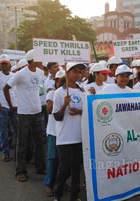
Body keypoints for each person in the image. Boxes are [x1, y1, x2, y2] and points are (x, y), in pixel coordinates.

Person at [4, 49, 46, 182]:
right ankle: (20, 171)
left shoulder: (40, 72)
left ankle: (40, 167)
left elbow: (38, 89)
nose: (41, 61)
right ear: (33, 60)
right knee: (22, 143)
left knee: (39, 142)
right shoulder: (21, 74)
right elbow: (6, 87)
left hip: (37, 112)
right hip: (23, 114)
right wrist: (11, 105)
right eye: (39, 58)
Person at [53, 63, 85, 201]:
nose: (77, 74)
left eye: (79, 72)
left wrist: (78, 111)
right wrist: (64, 105)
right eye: (74, 71)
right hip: (65, 138)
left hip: (79, 137)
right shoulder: (59, 92)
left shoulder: (83, 91)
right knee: (64, 169)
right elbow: (57, 117)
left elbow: (87, 113)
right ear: (67, 73)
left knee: (76, 169)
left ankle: (74, 196)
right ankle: (58, 195)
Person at [43, 70, 65, 197]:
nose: (62, 83)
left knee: (64, 161)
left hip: (65, 133)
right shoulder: (52, 93)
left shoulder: (70, 92)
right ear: (56, 82)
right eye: (60, 80)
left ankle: (60, 183)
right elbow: (49, 110)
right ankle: (49, 184)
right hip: (53, 132)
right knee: (52, 159)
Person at [0, 54, 17, 161]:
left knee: (16, 130)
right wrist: (0, 107)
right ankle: (5, 152)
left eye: (6, 63)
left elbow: (16, 91)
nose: (4, 65)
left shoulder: (14, 75)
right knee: (3, 131)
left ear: (9, 64)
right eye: (2, 64)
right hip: (3, 108)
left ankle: (17, 152)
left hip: (14, 107)